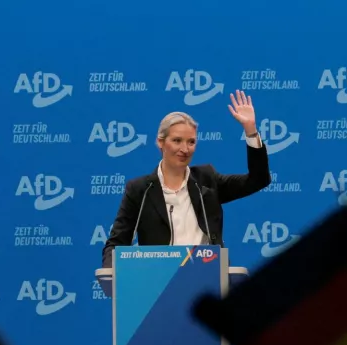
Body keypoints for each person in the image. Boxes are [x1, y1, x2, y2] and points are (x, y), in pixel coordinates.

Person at [101, 90, 271, 267]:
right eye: (177, 141)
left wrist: (250, 130)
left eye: (191, 142)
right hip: (157, 282)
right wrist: (111, 273)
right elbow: (116, 243)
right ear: (160, 142)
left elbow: (258, 180)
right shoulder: (140, 190)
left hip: (207, 277)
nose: (185, 149)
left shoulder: (207, 180)